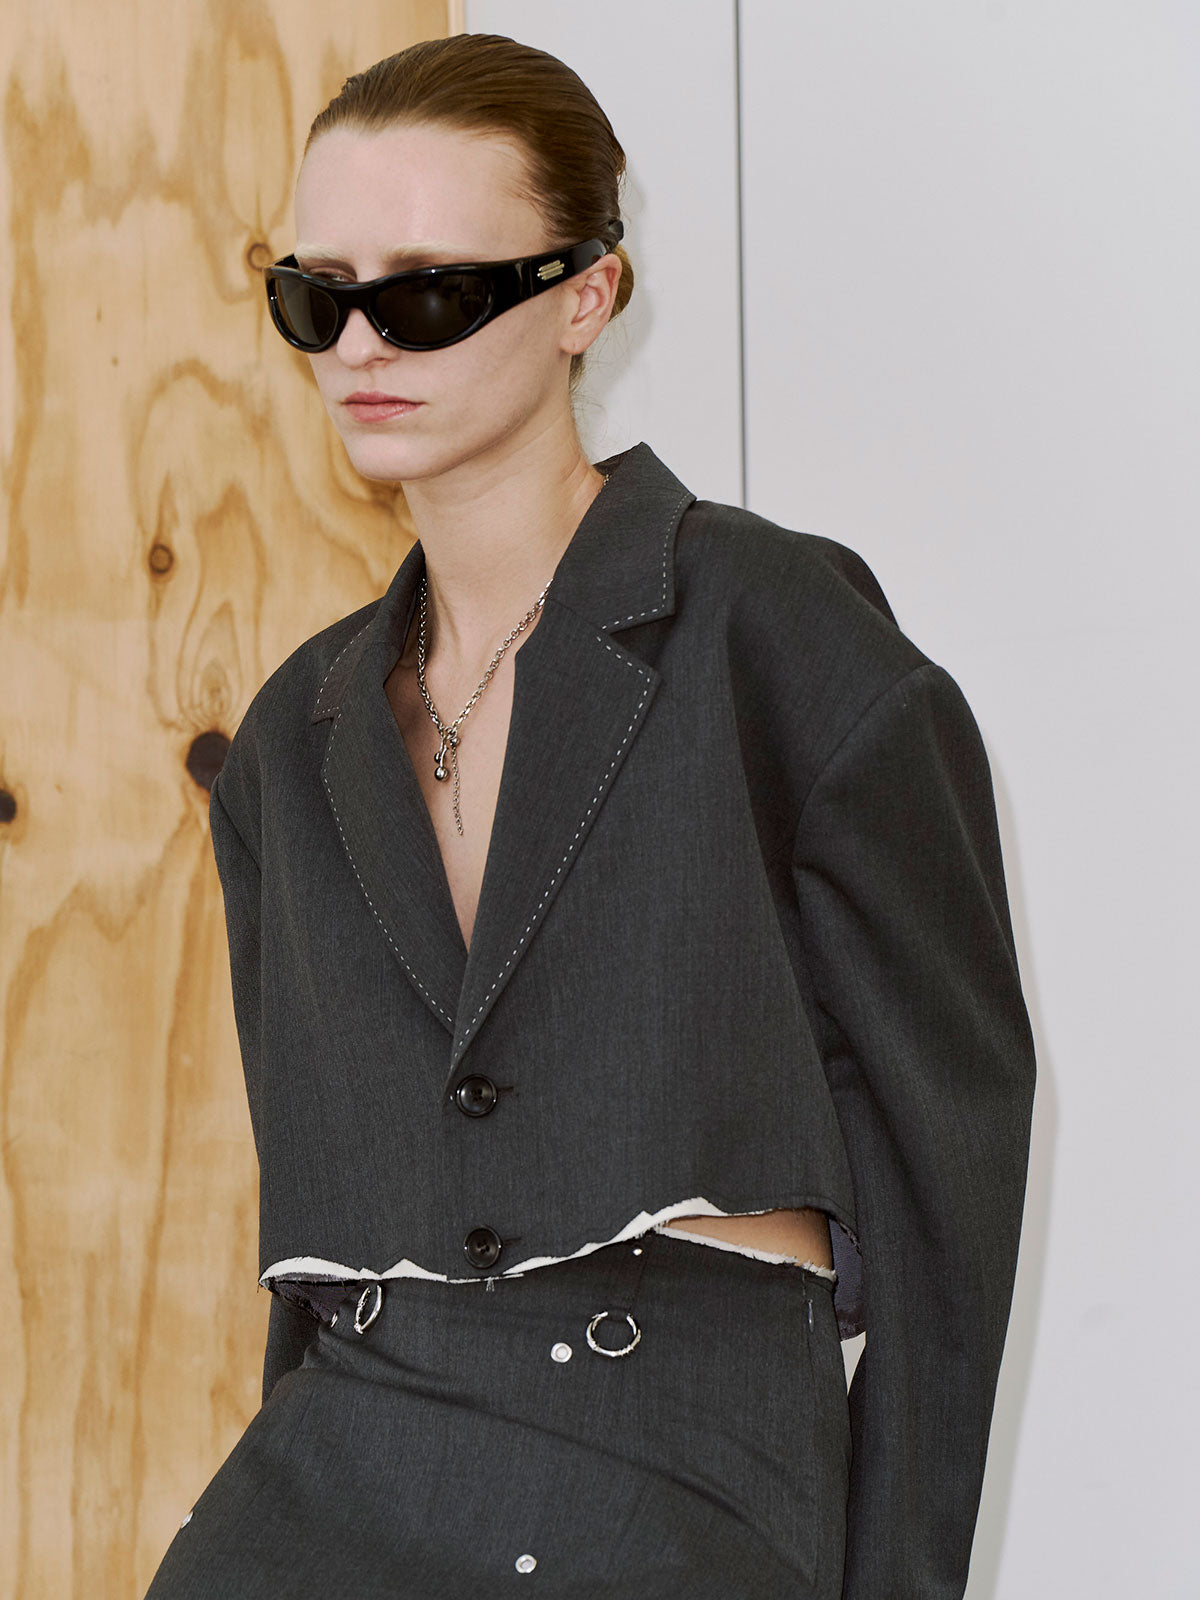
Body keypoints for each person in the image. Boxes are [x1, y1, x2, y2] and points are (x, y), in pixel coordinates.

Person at [144, 31, 1036, 1600]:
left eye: (427, 292)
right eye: (316, 295)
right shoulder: (294, 737)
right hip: (339, 1466)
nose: (360, 345)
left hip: (676, 1469)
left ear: (585, 295)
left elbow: (946, 1167)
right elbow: (318, 1220)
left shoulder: (779, 638)